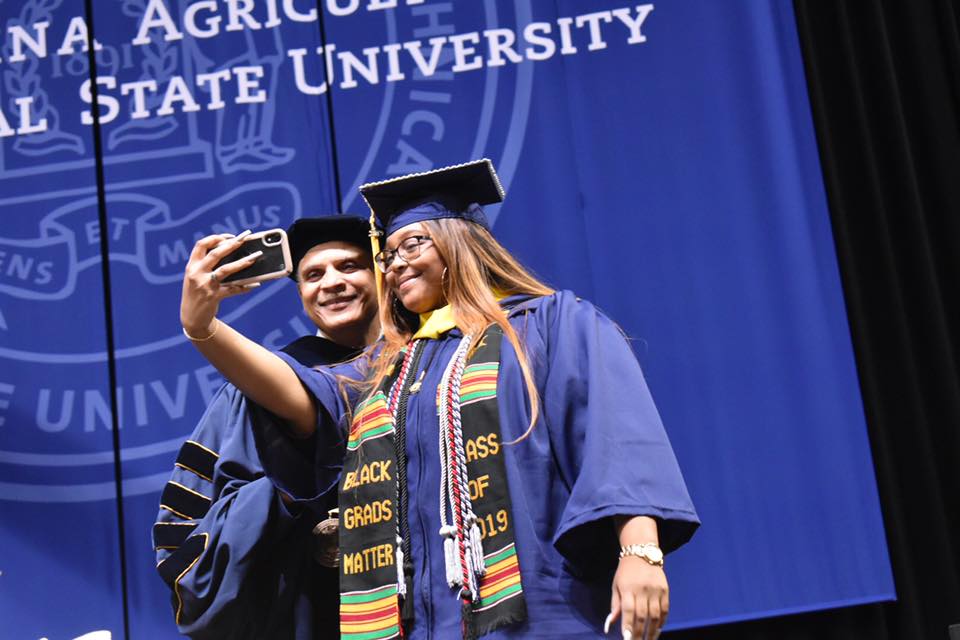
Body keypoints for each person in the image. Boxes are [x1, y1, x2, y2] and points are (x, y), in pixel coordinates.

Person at [178, 160, 699, 640]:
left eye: (412, 245)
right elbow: (297, 394)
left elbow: (615, 438)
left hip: (541, 611)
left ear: (458, 244)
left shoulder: (550, 325)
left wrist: (641, 552)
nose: (396, 265)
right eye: (389, 254)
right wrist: (202, 326)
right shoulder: (388, 370)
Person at [154, 214, 380, 639]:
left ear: (381, 273)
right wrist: (282, 493)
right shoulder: (253, 386)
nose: (330, 282)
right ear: (300, 294)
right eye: (313, 274)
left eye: (349, 266)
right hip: (296, 602)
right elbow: (181, 531)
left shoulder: (420, 366)